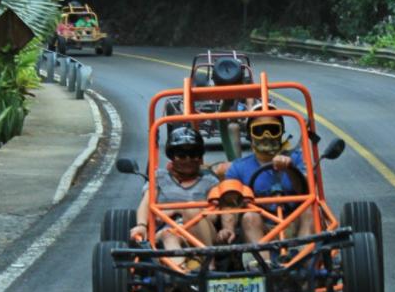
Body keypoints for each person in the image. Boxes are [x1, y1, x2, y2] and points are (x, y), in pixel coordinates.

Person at [220, 106, 315, 262]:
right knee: (249, 216)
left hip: (295, 221)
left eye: (272, 129)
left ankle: (301, 261)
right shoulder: (238, 168)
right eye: (260, 130)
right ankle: (265, 267)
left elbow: (307, 191)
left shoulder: (296, 159)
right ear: (250, 135)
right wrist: (228, 228)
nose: (266, 135)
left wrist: (290, 169)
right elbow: (230, 205)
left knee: (309, 210)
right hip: (261, 227)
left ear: (281, 133)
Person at [130, 127, 230, 269]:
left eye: (193, 154)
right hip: (168, 230)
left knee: (191, 211)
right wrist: (141, 225)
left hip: (203, 232)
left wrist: (180, 209)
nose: (188, 159)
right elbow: (147, 202)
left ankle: (209, 266)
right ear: (172, 156)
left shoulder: (210, 181)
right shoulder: (159, 177)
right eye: (182, 154)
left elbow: (214, 216)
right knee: (168, 235)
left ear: (200, 156)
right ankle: (181, 274)